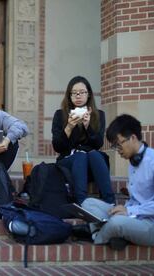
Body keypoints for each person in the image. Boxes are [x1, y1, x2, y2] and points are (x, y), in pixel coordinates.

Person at [73, 114, 154, 251]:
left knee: (116, 223)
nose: (117, 150)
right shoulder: (133, 163)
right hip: (134, 219)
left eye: (118, 144)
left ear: (133, 138)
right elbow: (136, 201)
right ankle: (116, 235)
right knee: (88, 203)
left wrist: (129, 211)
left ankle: (97, 237)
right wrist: (122, 209)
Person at [51, 76, 115, 204]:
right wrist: (69, 127)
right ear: (69, 96)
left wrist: (88, 126)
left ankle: (110, 202)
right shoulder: (60, 115)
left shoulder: (98, 115)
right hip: (69, 163)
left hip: (92, 165)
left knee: (95, 155)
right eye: (74, 93)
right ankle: (81, 202)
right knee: (80, 156)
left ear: (89, 94)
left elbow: (98, 144)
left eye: (82, 92)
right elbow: (58, 147)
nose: (78, 96)